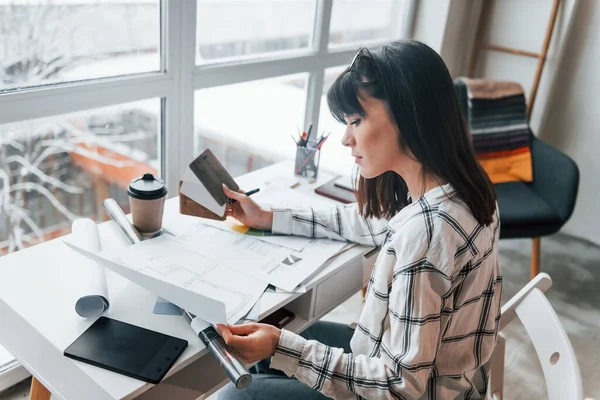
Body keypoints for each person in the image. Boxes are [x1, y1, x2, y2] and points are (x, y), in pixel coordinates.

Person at [218, 39, 502, 400]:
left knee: (234, 394)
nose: (345, 138)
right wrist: (270, 217)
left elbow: (399, 387)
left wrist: (282, 346)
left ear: (409, 115)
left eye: (356, 120)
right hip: (449, 379)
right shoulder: (467, 190)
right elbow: (366, 224)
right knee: (264, 354)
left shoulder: (427, 234)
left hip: (411, 389)